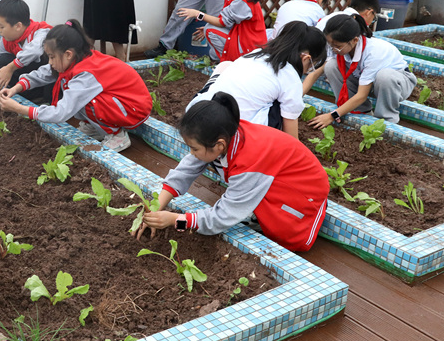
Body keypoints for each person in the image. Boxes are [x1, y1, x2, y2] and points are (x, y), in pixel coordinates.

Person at [135, 92, 328, 252]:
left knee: (278, 231)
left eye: (194, 148)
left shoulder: (250, 161)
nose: (191, 153)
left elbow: (221, 217)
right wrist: (157, 207)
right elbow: (186, 170)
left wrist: (176, 221)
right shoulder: (225, 133)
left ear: (219, 145)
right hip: (277, 178)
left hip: (303, 194)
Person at [0, 20, 152, 153]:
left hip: (134, 108)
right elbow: (43, 73)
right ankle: (95, 127)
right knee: (72, 89)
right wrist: (15, 88)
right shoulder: (77, 60)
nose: (50, 62)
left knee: (84, 98)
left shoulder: (86, 74)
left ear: (68, 54)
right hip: (122, 102)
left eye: (52, 57)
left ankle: (117, 136)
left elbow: (60, 113)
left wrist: (19, 108)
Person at [187, 22, 326, 137]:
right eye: (311, 66)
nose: (307, 71)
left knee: (225, 66)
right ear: (306, 58)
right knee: (281, 107)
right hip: (232, 136)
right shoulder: (290, 77)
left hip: (196, 117)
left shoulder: (256, 54)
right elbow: (291, 136)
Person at [309, 13, 417, 127]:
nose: (333, 49)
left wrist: (332, 116)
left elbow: (362, 95)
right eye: (330, 45)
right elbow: (315, 74)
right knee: (331, 66)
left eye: (338, 46)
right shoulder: (338, 47)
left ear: (355, 40)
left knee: (384, 76)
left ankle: (386, 121)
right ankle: (361, 111)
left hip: (396, 84)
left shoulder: (374, 52)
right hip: (369, 83)